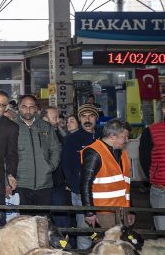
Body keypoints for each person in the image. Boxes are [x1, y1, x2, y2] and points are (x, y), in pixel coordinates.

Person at [81, 119, 134, 228]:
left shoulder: (123, 153)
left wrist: (131, 209)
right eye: (124, 137)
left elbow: (125, 185)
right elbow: (85, 184)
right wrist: (89, 212)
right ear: (112, 136)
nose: (127, 140)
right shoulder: (94, 153)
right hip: (104, 212)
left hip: (122, 210)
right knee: (107, 244)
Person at [62, 104, 99, 250]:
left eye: (90, 115)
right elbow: (66, 165)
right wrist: (75, 187)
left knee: (107, 232)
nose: (87, 119)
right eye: (83, 116)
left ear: (96, 117)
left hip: (103, 193)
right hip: (80, 193)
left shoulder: (103, 137)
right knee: (84, 232)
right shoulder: (72, 139)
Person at [14, 95, 61, 207]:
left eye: (31, 107)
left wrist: (50, 166)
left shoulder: (46, 127)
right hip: (21, 184)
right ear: (19, 108)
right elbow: (6, 155)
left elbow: (55, 149)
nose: (28, 110)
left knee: (42, 220)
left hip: (44, 184)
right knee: (23, 221)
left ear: (36, 109)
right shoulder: (12, 126)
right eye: (24, 106)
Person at [42, 106, 72, 241]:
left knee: (62, 221)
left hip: (58, 185)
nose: (58, 120)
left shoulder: (60, 135)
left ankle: (64, 247)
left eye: (58, 117)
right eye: (55, 118)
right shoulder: (35, 134)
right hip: (41, 186)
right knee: (42, 223)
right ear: (44, 118)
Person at [139, 98, 165, 230]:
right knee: (162, 230)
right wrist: (154, 178)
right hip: (160, 191)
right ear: (164, 110)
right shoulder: (151, 131)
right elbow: (144, 159)